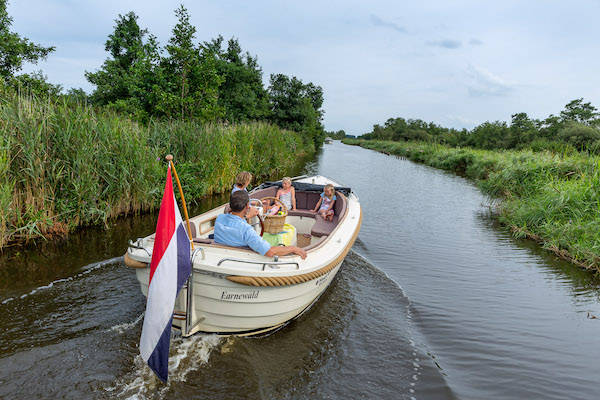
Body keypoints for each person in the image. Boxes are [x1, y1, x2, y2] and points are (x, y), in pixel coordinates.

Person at [215, 190, 307, 259]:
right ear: (247, 206)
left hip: (220, 256)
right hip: (241, 260)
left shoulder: (219, 219)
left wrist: (247, 216)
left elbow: (234, 222)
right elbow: (270, 252)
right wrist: (293, 249)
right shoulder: (246, 230)